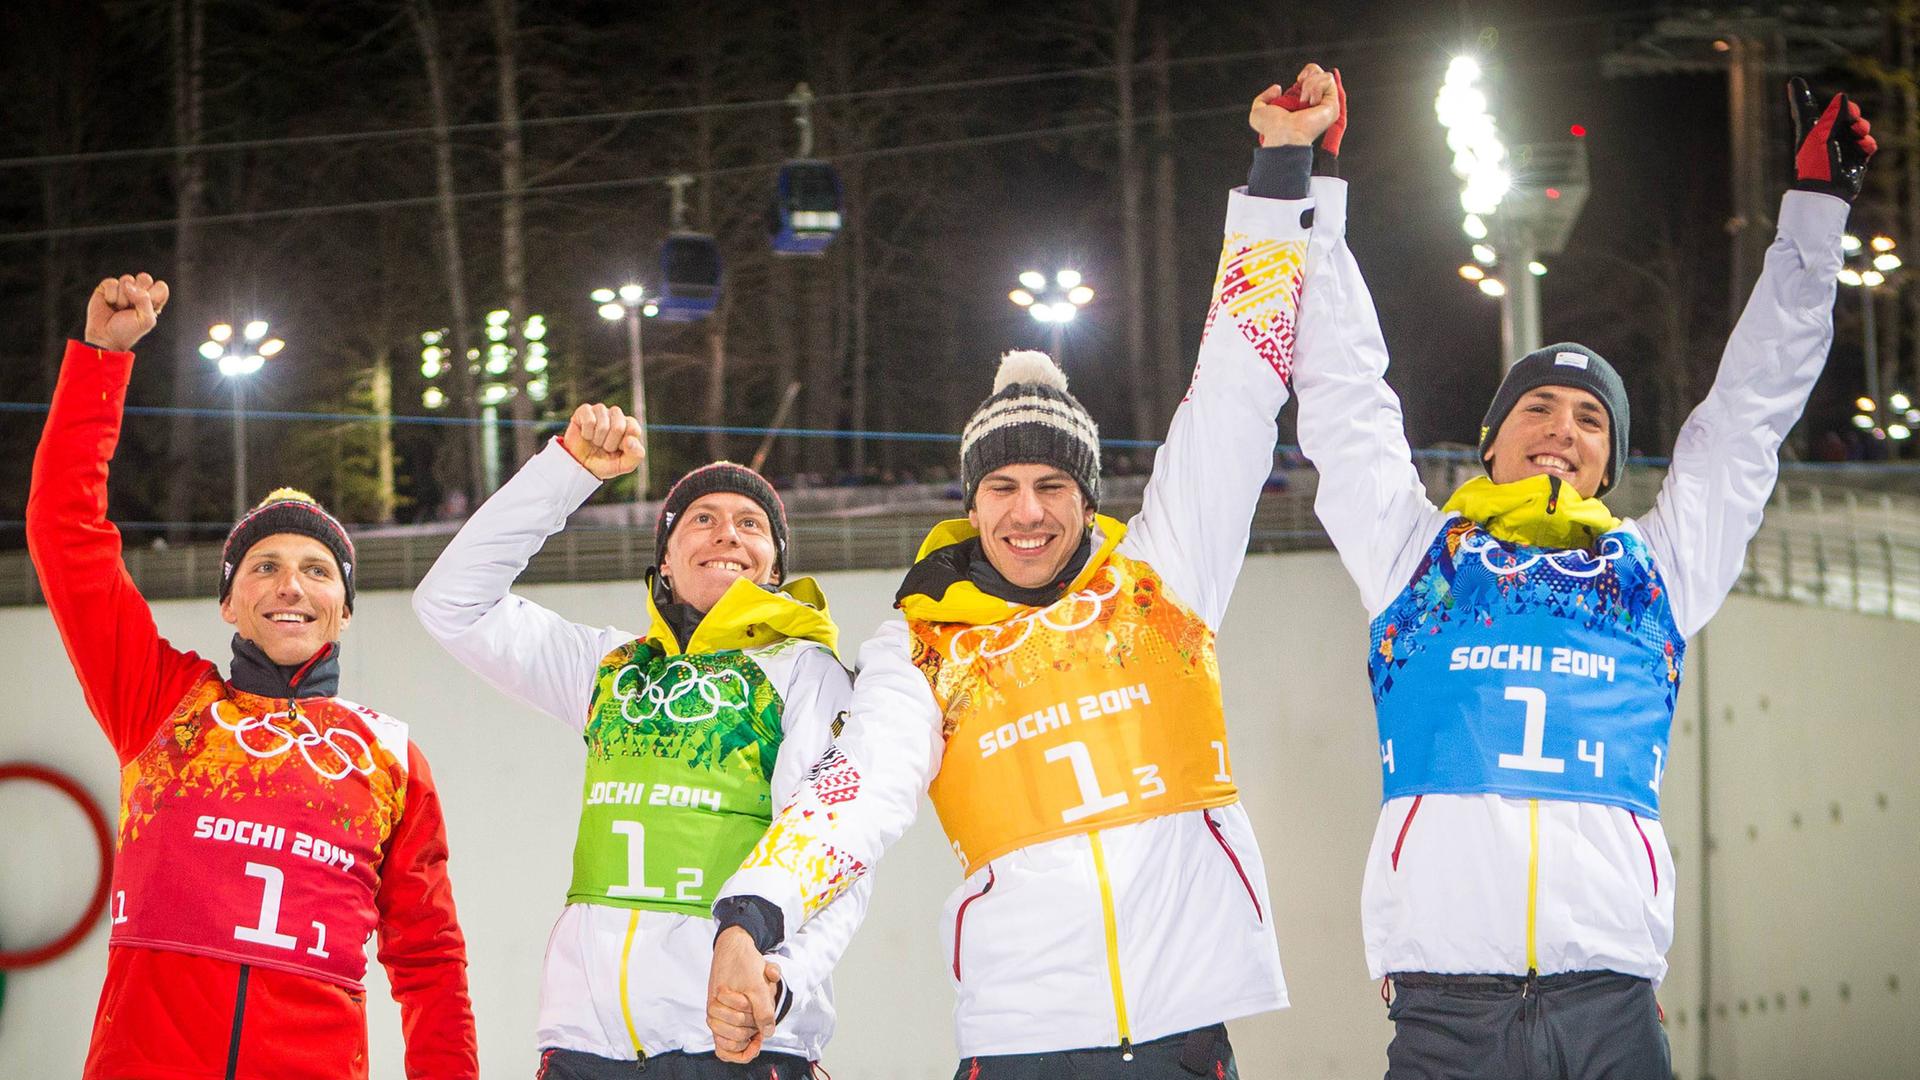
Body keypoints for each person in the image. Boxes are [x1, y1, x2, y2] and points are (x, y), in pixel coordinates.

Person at [702, 67, 1342, 1079]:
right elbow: (855, 792)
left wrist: (1278, 173)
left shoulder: (1161, 579)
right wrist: (753, 915)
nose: (1029, 511)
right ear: (971, 503)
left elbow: (1234, 390)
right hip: (1022, 1042)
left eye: (1054, 484)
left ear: (1088, 496)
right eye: (1002, 487)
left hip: (1184, 1029)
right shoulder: (923, 643)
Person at [1287, 78, 1873, 1077]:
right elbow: (1343, 393)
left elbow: (1747, 417)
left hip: (1609, 1007)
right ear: (1491, 444)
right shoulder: (1415, 558)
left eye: (1590, 418)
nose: (1563, 427)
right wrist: (1317, 189)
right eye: (1539, 408)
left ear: (1609, 463)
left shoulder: (1657, 571)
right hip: (1443, 1013)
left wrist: (1815, 215)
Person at [26, 273, 478, 1080]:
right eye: (264, 566)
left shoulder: (390, 760)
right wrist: (102, 361)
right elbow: (66, 535)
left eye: (316, 570)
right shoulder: (163, 705)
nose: (290, 585)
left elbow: (431, 965)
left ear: (345, 608)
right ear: (230, 602)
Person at [413, 408, 866, 1080]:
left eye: (752, 524)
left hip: (733, 1036)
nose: (727, 534)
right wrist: (565, 472)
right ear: (665, 556)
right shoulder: (609, 666)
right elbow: (452, 602)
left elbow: (837, 849)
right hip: (585, 1044)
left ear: (775, 565)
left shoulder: (804, 671)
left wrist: (780, 979)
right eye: (702, 519)